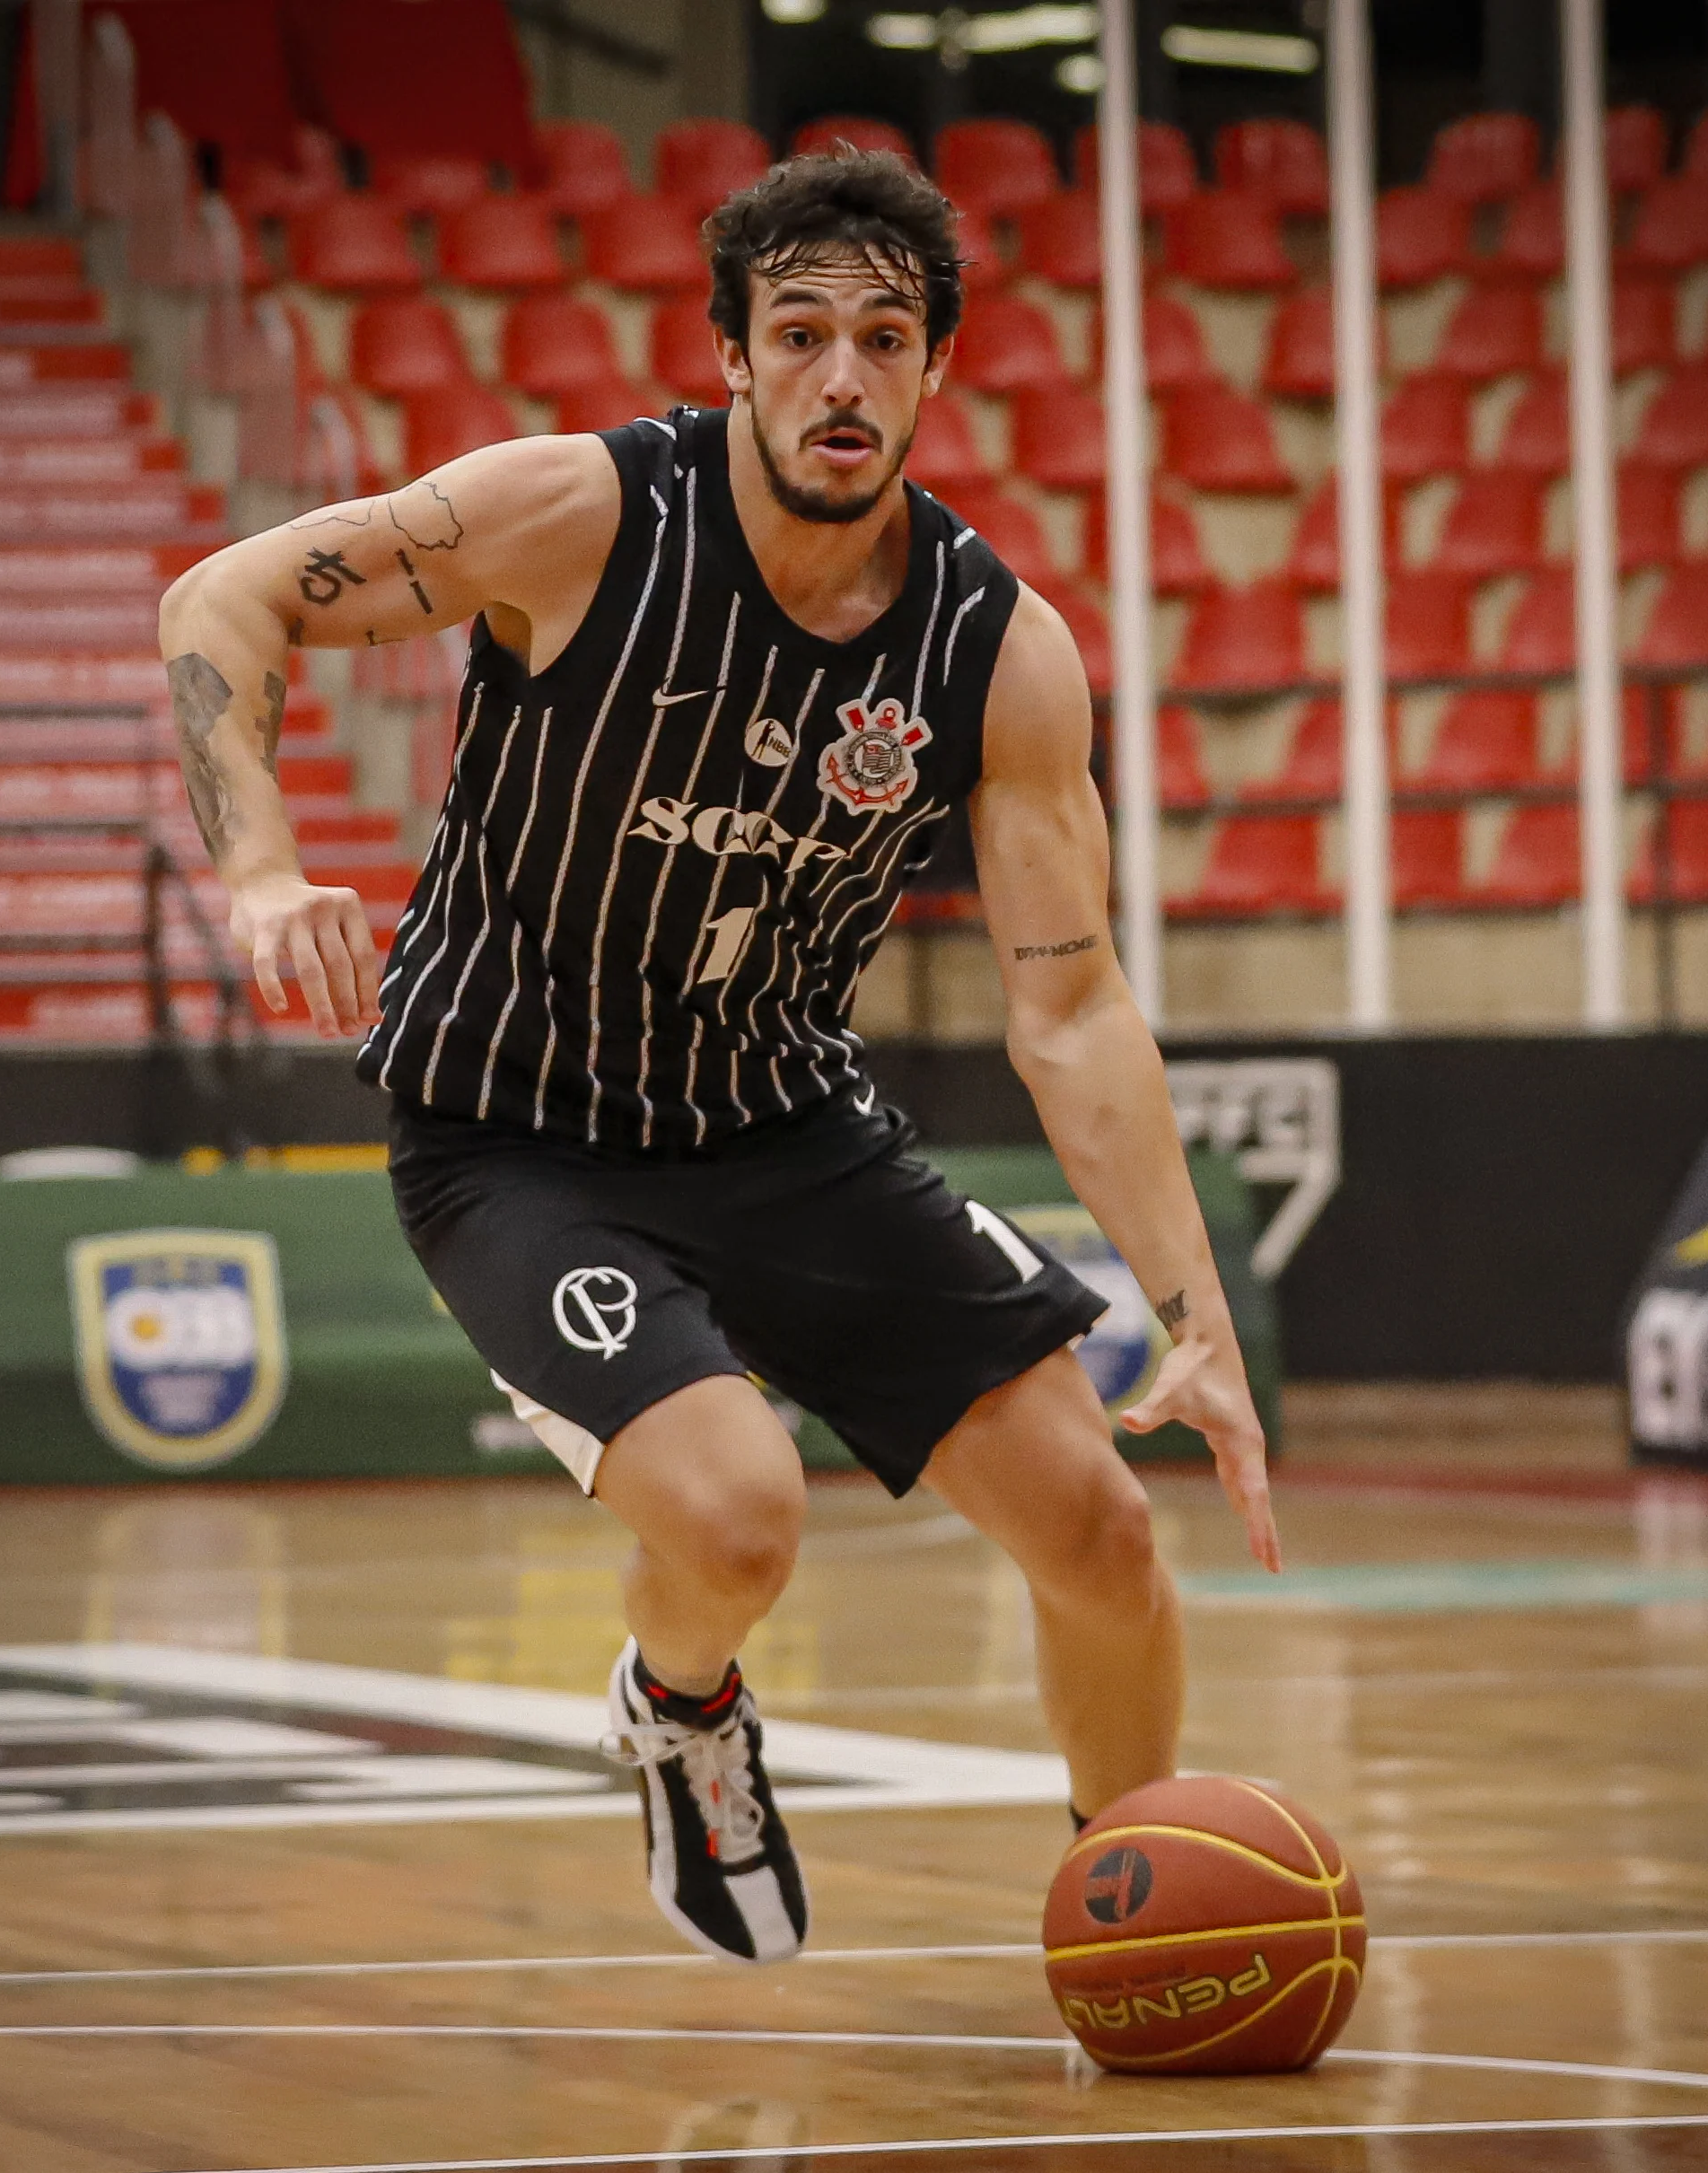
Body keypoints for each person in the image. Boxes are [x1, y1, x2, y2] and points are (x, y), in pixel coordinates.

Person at [157, 150, 1279, 1965]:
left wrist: (1194, 1307)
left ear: (930, 373)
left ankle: (1133, 1923)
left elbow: (1069, 1008)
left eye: (884, 339)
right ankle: (682, 1709)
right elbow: (223, 597)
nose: (844, 377)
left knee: (1099, 1531)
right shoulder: (574, 515)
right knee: (741, 1518)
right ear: (737, 357)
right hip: (517, 1135)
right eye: (803, 333)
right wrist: (265, 866)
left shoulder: (999, 652)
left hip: (782, 1121)